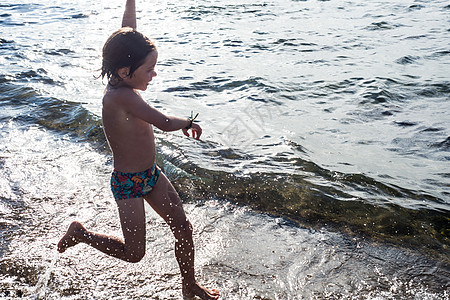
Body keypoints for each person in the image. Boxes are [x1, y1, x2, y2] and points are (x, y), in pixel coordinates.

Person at [57, 1, 220, 299]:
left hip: (152, 175)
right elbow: (164, 122)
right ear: (124, 70)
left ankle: (189, 285)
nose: (154, 75)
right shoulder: (120, 98)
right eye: (150, 69)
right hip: (128, 185)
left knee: (183, 228)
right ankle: (82, 234)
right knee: (134, 253)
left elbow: (128, 31)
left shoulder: (124, 78)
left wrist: (131, 2)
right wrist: (190, 121)